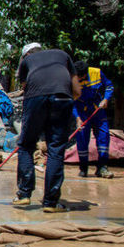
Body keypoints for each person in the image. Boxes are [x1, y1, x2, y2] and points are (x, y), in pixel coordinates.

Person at [14, 43, 81, 212]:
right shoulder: (62, 55)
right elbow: (77, 90)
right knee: (56, 149)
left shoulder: (26, 62)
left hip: (35, 98)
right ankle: (50, 203)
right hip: (63, 97)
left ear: (26, 54)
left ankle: (24, 195)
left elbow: (25, 87)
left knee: (25, 146)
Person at [73, 60, 115, 179]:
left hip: (98, 110)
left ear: (86, 73)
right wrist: (77, 118)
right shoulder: (71, 78)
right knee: (82, 139)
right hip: (81, 113)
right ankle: (83, 168)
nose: (79, 79)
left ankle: (102, 167)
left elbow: (109, 86)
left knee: (104, 136)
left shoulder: (96, 73)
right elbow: (71, 102)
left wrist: (106, 99)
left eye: (81, 77)